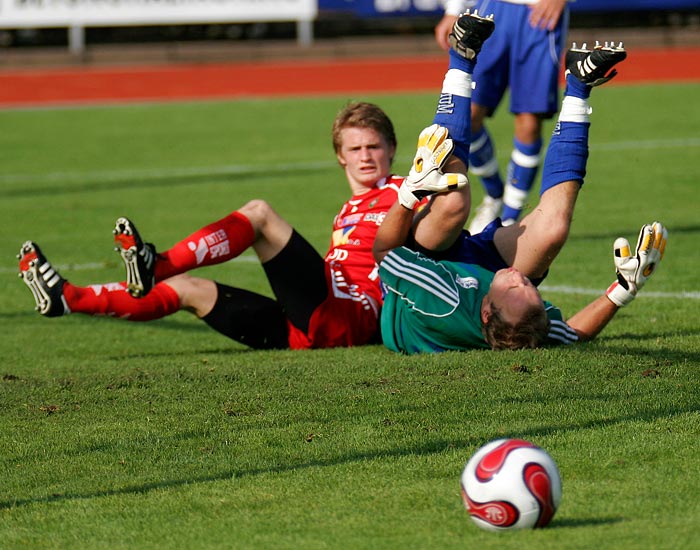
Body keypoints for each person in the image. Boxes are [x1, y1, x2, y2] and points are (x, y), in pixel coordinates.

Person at [18, 101, 464, 350]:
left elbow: (442, 218)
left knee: (260, 215)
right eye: (355, 148)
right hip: (306, 329)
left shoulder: (405, 189)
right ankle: (68, 298)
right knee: (190, 291)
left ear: (392, 149)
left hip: (352, 315)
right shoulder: (347, 209)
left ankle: (157, 263)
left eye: (374, 146)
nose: (366, 156)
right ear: (339, 156)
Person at [373, 12, 668, 353]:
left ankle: (461, 53)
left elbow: (384, 253)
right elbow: (574, 334)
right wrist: (623, 290)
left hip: (421, 262)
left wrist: (409, 195)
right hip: (479, 273)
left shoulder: (441, 298)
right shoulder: (523, 319)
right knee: (553, 230)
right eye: (534, 288)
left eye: (518, 288)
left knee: (453, 201)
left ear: (486, 312)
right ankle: (578, 85)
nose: (523, 279)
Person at [435, 0, 569, 234]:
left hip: (540, 13)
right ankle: (494, 194)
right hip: (493, 8)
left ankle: (508, 218)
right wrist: (453, 11)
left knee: (529, 123)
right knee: (469, 114)